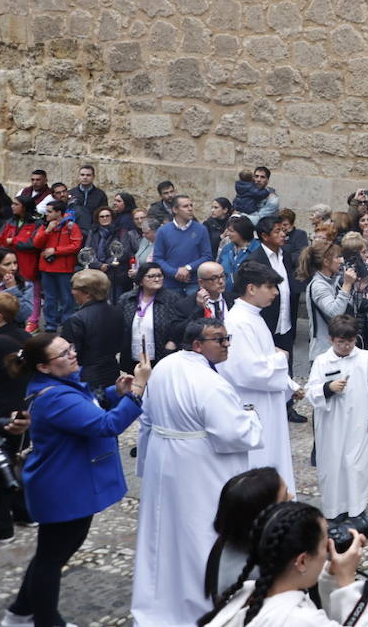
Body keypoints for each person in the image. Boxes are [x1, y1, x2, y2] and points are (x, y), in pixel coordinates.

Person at [2, 331, 149, 627]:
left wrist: (113, 393)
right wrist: (139, 388)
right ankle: (46, 621)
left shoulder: (59, 384)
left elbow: (86, 406)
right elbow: (107, 425)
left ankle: (19, 614)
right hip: (62, 487)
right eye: (63, 354)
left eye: (70, 348)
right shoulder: (55, 396)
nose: (72, 354)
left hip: (67, 482)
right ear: (44, 367)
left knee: (53, 552)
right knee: (51, 557)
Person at [133, 319, 264, 626]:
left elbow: (147, 418)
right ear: (196, 345)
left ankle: (161, 600)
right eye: (219, 340)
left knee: (163, 533)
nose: (227, 345)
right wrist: (252, 417)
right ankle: (200, 603)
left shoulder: (164, 367)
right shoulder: (210, 383)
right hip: (199, 468)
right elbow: (233, 433)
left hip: (164, 461)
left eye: (227, 338)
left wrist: (145, 465)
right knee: (200, 533)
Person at [200, 501, 368, 627]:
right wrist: (346, 582)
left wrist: (331, 577)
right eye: (324, 545)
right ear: (302, 561)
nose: (328, 553)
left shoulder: (247, 592)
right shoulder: (298, 619)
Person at [221, 261, 303, 494]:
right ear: (251, 288)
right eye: (270, 287)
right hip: (255, 405)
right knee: (261, 461)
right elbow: (246, 370)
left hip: (267, 403)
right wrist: (281, 358)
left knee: (274, 455)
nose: (276, 293)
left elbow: (261, 357)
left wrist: (289, 384)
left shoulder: (254, 317)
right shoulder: (238, 321)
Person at [308, 316, 368, 520]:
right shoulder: (322, 361)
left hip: (359, 423)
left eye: (350, 342)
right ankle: (334, 510)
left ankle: (356, 508)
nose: (346, 346)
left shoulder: (366, 359)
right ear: (331, 340)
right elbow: (311, 391)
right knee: (332, 466)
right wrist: (328, 388)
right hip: (331, 424)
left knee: (357, 466)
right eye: (341, 342)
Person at [204, 468, 288, 607]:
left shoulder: (227, 544)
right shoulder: (255, 575)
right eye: (285, 497)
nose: (292, 497)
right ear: (263, 516)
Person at [245, 216, 302, 421]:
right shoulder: (255, 259)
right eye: (277, 231)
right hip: (267, 320)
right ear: (264, 236)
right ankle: (269, 405)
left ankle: (288, 405)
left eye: (283, 230)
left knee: (286, 361)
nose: (283, 234)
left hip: (285, 319)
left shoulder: (284, 255)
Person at [0, 292, 30, 539]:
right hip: (23, 408)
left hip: (2, 412)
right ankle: (25, 513)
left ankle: (0, 528)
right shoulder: (24, 336)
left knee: (0, 467)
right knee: (18, 462)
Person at [60, 269, 124, 398]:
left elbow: (68, 355)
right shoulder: (117, 312)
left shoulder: (75, 320)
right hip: (112, 372)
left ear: (87, 294)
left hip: (86, 378)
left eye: (74, 288)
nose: (72, 292)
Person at [297, 240, 356, 368]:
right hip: (323, 352)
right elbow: (335, 313)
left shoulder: (332, 280)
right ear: (325, 261)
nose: (341, 261)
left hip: (336, 349)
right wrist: (347, 285)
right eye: (337, 257)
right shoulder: (318, 285)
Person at [119, 261, 188, 367]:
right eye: (151, 276)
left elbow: (182, 324)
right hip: (133, 354)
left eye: (159, 276)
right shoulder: (127, 299)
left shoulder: (172, 299)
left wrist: (173, 342)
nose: (156, 279)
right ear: (141, 280)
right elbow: (119, 324)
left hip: (163, 355)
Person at [32, 199, 82, 332]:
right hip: (46, 268)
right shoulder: (44, 226)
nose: (46, 214)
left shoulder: (71, 226)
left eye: (49, 212)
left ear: (58, 212)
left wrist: (56, 251)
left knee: (66, 297)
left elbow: (76, 245)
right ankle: (50, 323)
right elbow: (36, 244)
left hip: (64, 268)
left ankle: (67, 323)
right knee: (49, 297)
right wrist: (47, 230)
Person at [152, 194, 213, 297]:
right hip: (170, 284)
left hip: (193, 283)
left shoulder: (201, 229)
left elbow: (207, 256)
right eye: (185, 206)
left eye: (191, 205)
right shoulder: (163, 231)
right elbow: (158, 258)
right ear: (175, 210)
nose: (190, 209)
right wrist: (175, 272)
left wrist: (188, 268)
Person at [0, 197, 43, 329]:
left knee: (31, 291)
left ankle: (32, 321)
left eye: (16, 204)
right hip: (9, 260)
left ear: (24, 207)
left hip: (27, 262)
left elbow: (33, 244)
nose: (12, 206)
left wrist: (14, 241)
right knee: (8, 288)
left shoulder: (36, 223)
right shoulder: (10, 221)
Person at [0, 246, 33, 326]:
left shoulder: (25, 285)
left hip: (11, 330)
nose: (14, 268)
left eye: (15, 263)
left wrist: (12, 289)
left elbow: (22, 316)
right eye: (7, 264)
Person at [218, 215, 260, 282]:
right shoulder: (227, 248)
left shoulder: (258, 250)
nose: (228, 234)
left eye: (231, 231)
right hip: (227, 290)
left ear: (242, 231)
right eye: (227, 230)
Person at [67, 166, 107, 234]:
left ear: (93, 177)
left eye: (88, 175)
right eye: (82, 175)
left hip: (92, 231)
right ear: (79, 176)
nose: (85, 177)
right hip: (73, 229)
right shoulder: (71, 193)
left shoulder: (100, 195)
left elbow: (103, 213)